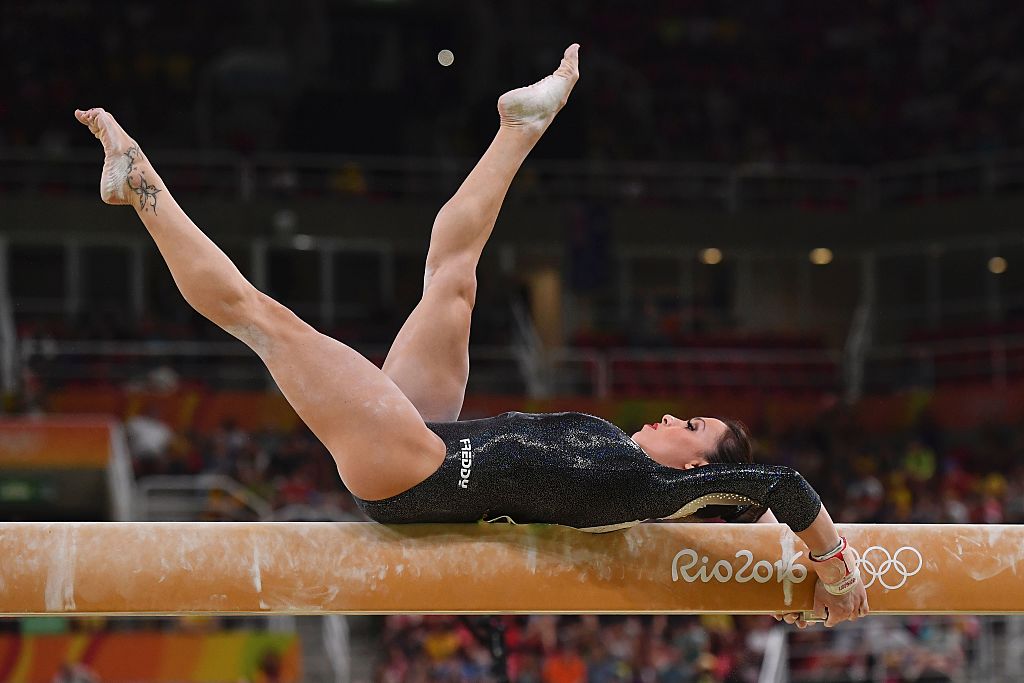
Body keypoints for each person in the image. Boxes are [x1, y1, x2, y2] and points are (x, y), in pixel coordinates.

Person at [74, 44, 866, 627]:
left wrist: (831, 572)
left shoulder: (650, 489)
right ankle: (519, 127)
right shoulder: (635, 465)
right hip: (434, 435)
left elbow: (778, 488)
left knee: (263, 317)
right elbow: (756, 513)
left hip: (411, 473)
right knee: (453, 274)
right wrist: (778, 578)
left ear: (698, 468)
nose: (668, 417)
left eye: (690, 427)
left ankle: (137, 181)